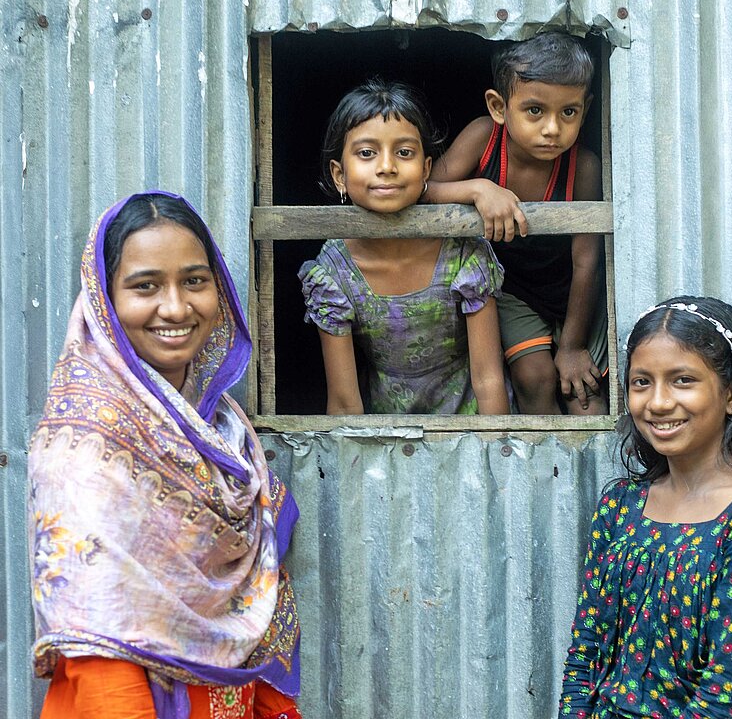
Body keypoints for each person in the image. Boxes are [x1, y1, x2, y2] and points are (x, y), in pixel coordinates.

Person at [28, 192, 301, 719]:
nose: (176, 307)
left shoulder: (223, 430)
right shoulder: (86, 448)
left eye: (195, 281)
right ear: (104, 302)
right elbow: (100, 648)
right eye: (145, 286)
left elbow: (257, 621)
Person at [559, 295, 732, 718]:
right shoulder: (620, 506)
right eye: (642, 382)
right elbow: (585, 656)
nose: (657, 403)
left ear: (731, 394)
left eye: (682, 380)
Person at [299, 78, 510, 415]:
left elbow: (488, 381)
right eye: (367, 153)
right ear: (339, 175)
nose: (387, 167)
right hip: (383, 434)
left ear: (426, 168)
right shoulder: (334, 271)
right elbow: (343, 400)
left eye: (404, 152)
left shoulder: (463, 254)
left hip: (469, 422)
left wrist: (494, 459)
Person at [426, 31, 608, 415]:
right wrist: (478, 188)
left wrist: (573, 346)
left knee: (584, 394)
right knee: (535, 378)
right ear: (498, 106)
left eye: (568, 112)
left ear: (585, 109)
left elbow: (587, 260)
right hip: (512, 290)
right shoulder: (484, 139)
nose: (552, 129)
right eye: (535, 111)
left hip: (573, 293)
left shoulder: (584, 167)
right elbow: (425, 190)